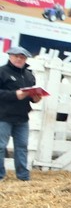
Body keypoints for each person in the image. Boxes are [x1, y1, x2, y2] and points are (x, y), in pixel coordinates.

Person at [0, 46, 43, 182]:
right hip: (3, 116)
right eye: (16, 56)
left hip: (22, 117)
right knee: (0, 146)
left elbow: (31, 96)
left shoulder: (29, 76)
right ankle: (0, 175)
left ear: (26, 59)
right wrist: (15, 95)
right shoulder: (2, 72)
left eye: (22, 57)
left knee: (22, 147)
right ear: (10, 56)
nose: (19, 59)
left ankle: (23, 177)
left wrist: (36, 98)